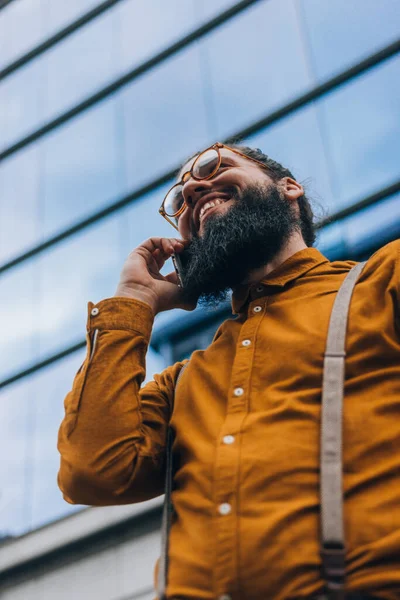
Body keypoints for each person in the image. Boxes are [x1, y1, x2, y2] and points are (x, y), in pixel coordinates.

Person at [57, 142, 400, 600]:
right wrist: (134, 301)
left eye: (213, 165)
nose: (194, 188)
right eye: (179, 198)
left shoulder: (384, 282)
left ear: (289, 188)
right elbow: (92, 472)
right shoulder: (182, 383)